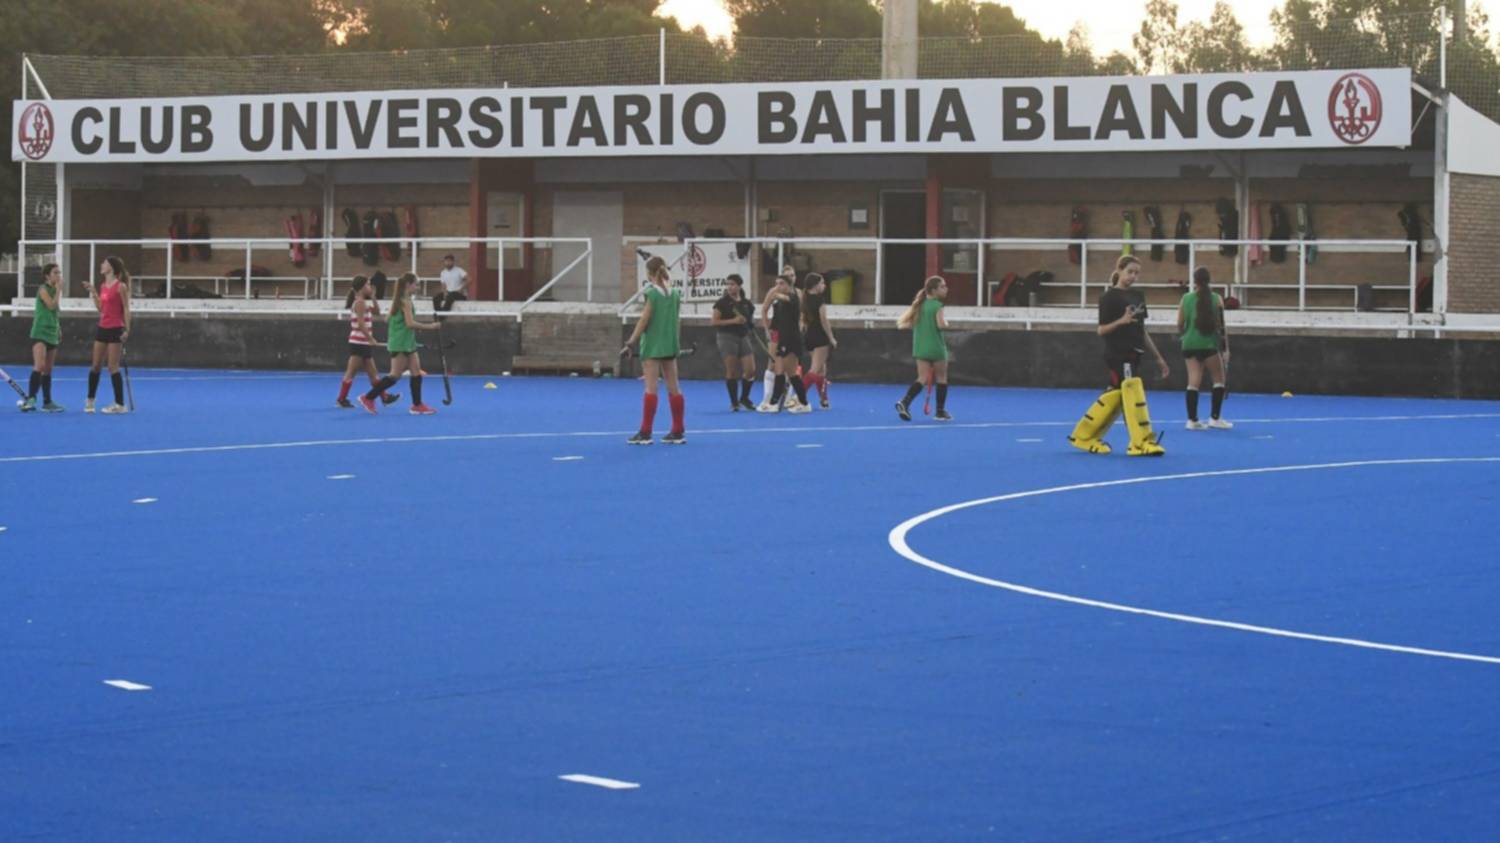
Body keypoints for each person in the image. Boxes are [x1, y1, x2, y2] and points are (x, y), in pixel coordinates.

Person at [1068, 255, 1169, 456]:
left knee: (1114, 395)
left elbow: (1142, 330)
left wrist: (1158, 357)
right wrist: (1121, 321)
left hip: (1135, 353)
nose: (1133, 276)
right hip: (1119, 354)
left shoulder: (1138, 296)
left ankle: (1084, 436)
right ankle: (1140, 442)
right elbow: (1101, 330)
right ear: (1120, 270)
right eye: (1130, 272)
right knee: (1132, 391)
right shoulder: (1109, 298)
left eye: (1137, 273)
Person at [622, 255, 686, 444]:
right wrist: (675, 343)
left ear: (649, 273)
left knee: (651, 388)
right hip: (670, 344)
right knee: (674, 387)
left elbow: (644, 320)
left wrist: (631, 341)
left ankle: (645, 432)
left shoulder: (652, 294)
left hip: (652, 345)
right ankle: (678, 430)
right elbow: (677, 321)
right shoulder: (675, 293)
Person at [359, 273, 440, 415]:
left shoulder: (399, 300)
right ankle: (368, 397)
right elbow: (409, 323)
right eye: (416, 284)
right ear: (408, 284)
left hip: (407, 342)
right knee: (394, 375)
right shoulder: (404, 301)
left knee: (416, 372)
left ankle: (417, 405)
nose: (418, 287)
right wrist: (430, 326)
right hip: (401, 343)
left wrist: (402, 326)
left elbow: (387, 319)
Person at [1177, 267, 1232, 430]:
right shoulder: (1217, 299)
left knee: (1193, 381)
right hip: (1209, 344)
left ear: (1194, 281)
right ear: (1209, 280)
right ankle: (1215, 418)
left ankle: (1192, 420)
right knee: (1218, 379)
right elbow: (1222, 326)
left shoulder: (1185, 298)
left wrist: (1185, 335)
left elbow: (1179, 324)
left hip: (1189, 344)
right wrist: (1226, 349)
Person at [336, 275, 400, 409]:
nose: (370, 287)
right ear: (361, 287)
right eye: (368, 284)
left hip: (363, 343)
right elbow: (360, 324)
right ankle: (341, 399)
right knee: (351, 372)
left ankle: (384, 397)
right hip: (358, 343)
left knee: (373, 373)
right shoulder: (359, 302)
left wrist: (373, 297)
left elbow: (377, 312)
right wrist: (370, 338)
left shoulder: (363, 302)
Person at [895, 276, 952, 421]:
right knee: (942, 378)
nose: (946, 289)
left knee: (922, 378)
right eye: (942, 286)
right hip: (936, 346)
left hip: (920, 347)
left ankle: (905, 402)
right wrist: (947, 323)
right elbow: (941, 325)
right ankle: (940, 411)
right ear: (934, 290)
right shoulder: (938, 305)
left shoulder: (919, 305)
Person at [758, 270, 812, 414]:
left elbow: (786, 298)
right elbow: (769, 308)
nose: (778, 286)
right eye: (776, 284)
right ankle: (774, 403)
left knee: (792, 374)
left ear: (789, 285)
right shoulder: (781, 300)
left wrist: (775, 294)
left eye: (781, 284)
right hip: (783, 338)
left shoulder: (793, 298)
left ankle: (804, 403)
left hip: (792, 340)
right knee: (779, 371)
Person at [84, 256, 131, 414]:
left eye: (104, 263)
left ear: (111, 267)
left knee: (112, 366)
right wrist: (94, 292)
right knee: (96, 365)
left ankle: (120, 404)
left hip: (115, 328)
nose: (102, 265)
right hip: (102, 328)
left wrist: (127, 329)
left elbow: (126, 308)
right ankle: (90, 399)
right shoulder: (103, 286)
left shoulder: (120, 286)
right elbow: (101, 308)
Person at [20, 262, 64, 412]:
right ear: (47, 276)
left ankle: (47, 402)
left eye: (59, 273)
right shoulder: (43, 289)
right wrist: (58, 290)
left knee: (48, 369)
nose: (58, 275)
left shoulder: (54, 290)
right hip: (40, 332)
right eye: (55, 273)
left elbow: (55, 312)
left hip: (52, 332)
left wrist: (58, 328)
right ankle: (31, 399)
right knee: (39, 365)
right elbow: (51, 305)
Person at [711, 273, 757, 411]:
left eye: (732, 284)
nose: (730, 287)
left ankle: (744, 398)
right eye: (728, 284)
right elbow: (714, 322)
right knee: (732, 371)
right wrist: (733, 321)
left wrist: (750, 325)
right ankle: (734, 402)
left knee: (750, 370)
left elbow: (750, 320)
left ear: (739, 286)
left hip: (743, 336)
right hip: (727, 336)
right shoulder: (722, 303)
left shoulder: (746, 303)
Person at [800, 272, 837, 409]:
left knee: (821, 370)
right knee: (815, 370)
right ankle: (798, 395)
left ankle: (824, 400)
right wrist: (831, 338)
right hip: (820, 337)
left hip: (809, 336)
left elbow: (802, 320)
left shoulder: (804, 298)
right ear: (815, 285)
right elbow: (824, 320)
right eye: (822, 283)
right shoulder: (819, 299)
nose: (824, 285)